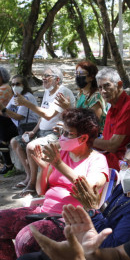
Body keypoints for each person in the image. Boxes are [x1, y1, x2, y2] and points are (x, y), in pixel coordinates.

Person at [0, 109, 109, 260]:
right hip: (43, 211)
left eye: (67, 133)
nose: (62, 136)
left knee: (27, 239)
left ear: (83, 138)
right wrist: (44, 167)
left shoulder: (97, 160)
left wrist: (57, 165)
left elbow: (88, 186)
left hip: (69, 220)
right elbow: (42, 190)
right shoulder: (62, 154)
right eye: (62, 131)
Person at [12, 66, 76, 196]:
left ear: (57, 79)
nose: (43, 78)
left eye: (47, 76)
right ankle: (29, 176)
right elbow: (42, 116)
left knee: (31, 146)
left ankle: (32, 183)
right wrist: (33, 131)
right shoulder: (47, 91)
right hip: (42, 132)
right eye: (43, 76)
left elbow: (48, 115)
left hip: (57, 134)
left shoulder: (62, 92)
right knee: (16, 142)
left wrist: (27, 103)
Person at [92, 67, 130, 169]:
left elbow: (112, 146)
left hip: (129, 164)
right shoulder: (112, 107)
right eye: (100, 88)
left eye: (107, 86)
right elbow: (107, 141)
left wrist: (85, 140)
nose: (103, 91)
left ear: (119, 85)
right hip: (114, 158)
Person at [0, 75, 40, 175]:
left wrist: (3, 109)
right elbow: (6, 112)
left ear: (24, 85)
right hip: (16, 124)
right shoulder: (15, 96)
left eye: (17, 84)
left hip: (28, 126)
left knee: (3, 135)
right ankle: (5, 152)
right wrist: (0, 108)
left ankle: (8, 163)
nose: (14, 86)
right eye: (12, 84)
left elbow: (19, 117)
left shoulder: (26, 97)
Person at [56, 60, 107, 132]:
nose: (78, 76)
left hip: (95, 136)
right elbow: (78, 118)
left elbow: (91, 123)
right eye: (76, 73)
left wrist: (68, 109)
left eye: (81, 74)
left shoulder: (96, 97)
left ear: (91, 77)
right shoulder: (80, 94)